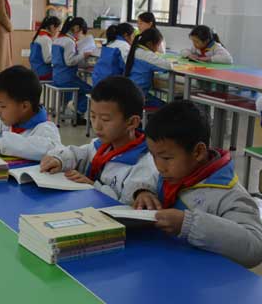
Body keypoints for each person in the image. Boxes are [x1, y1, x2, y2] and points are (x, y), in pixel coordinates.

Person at [143, 100, 262, 268]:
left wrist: (189, 224)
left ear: (198, 152)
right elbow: (147, 178)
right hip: (167, 265)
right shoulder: (174, 174)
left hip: (205, 277)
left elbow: (255, 247)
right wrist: (143, 191)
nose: (159, 166)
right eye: (153, 156)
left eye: (166, 158)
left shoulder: (229, 195)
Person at [40, 76, 158, 205]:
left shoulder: (143, 164)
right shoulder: (102, 146)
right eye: (92, 116)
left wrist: (94, 187)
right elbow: (76, 153)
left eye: (105, 119)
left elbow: (127, 205)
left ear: (132, 122)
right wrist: (59, 160)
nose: (96, 126)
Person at [51, 16, 93, 124]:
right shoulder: (69, 42)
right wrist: (83, 55)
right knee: (90, 90)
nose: (80, 36)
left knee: (81, 88)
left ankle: (74, 108)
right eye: (82, 32)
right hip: (67, 78)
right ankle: (78, 113)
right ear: (77, 28)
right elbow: (69, 62)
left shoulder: (57, 39)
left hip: (57, 76)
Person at [124, 28, 172, 107]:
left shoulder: (134, 50)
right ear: (150, 44)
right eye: (158, 45)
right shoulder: (146, 55)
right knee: (167, 107)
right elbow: (168, 66)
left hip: (128, 92)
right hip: (138, 96)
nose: (158, 48)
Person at [91, 23, 134, 87]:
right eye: (133, 36)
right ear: (126, 35)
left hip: (97, 81)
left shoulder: (109, 42)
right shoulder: (124, 46)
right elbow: (129, 67)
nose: (133, 39)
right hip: (111, 84)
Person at [29, 16, 62, 80]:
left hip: (35, 70)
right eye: (58, 29)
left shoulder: (39, 36)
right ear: (52, 27)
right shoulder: (46, 39)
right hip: (43, 72)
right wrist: (60, 57)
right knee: (64, 76)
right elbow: (47, 59)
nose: (57, 32)